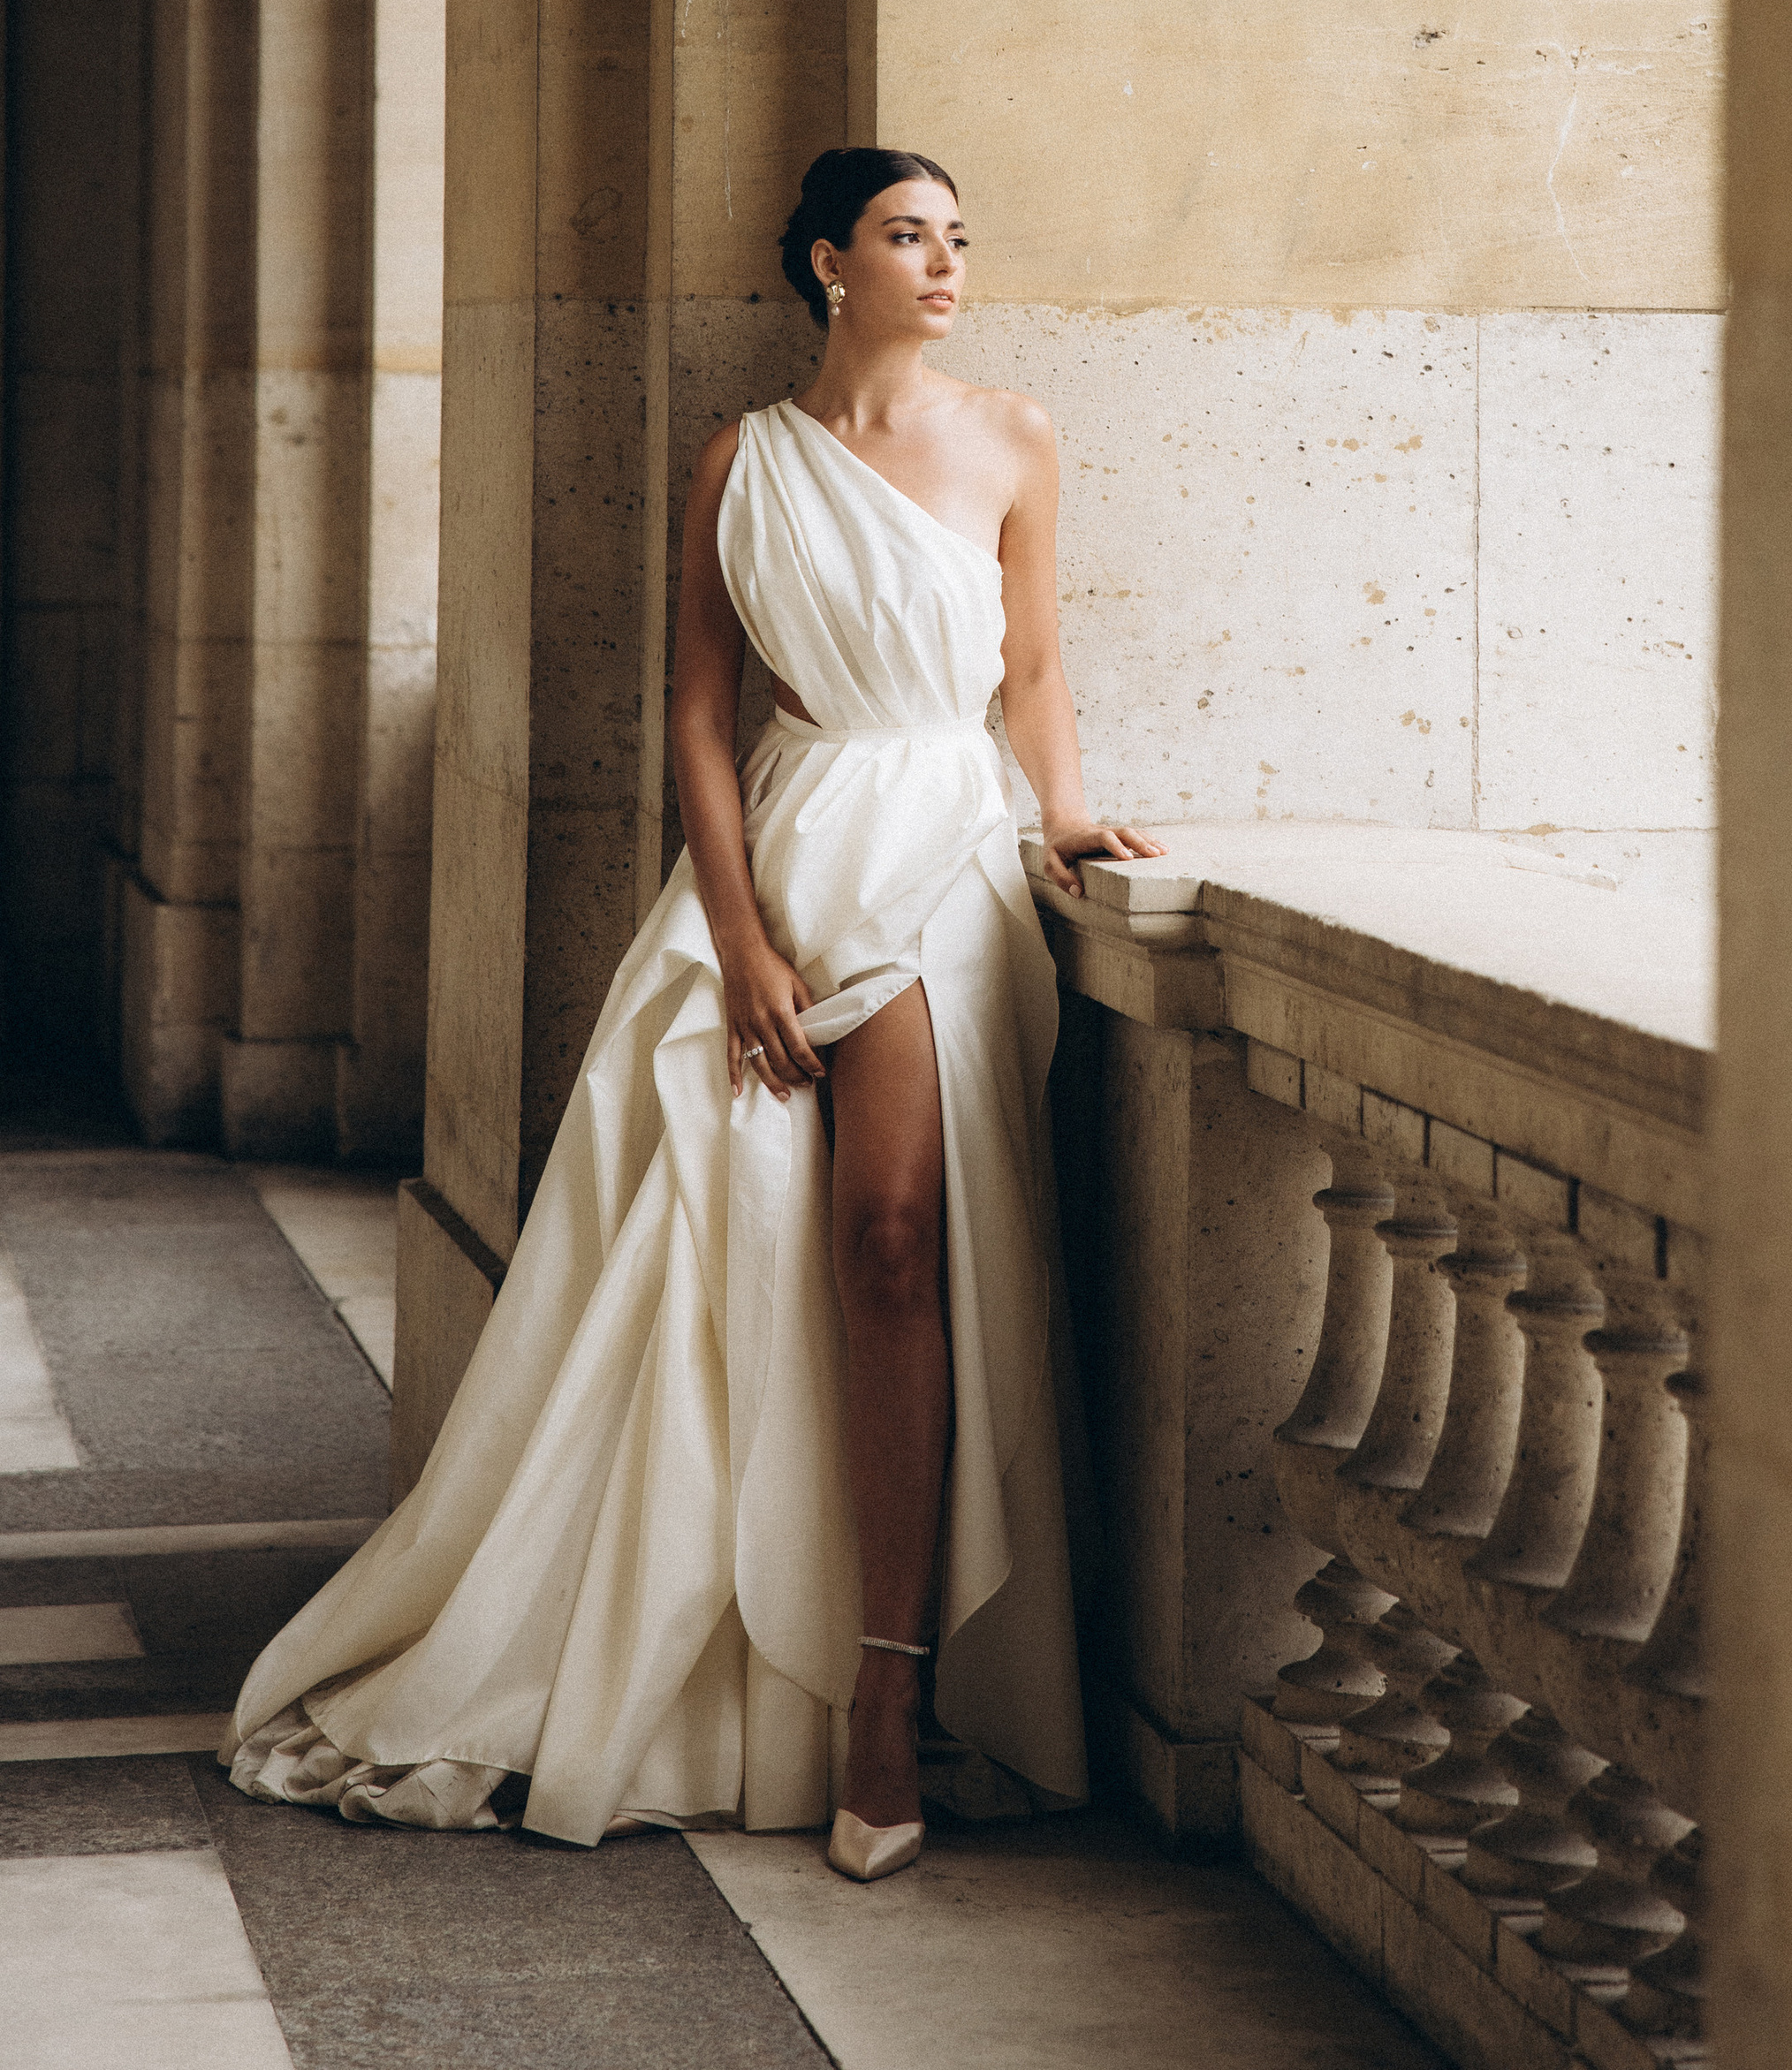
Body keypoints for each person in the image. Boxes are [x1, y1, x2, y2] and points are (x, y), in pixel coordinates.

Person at [226, 147, 1159, 1877]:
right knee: (725, 1245)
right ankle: (756, 1654)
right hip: (785, 855)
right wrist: (735, 939)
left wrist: (1064, 815)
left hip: (942, 851)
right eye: (905, 236)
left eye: (959, 236)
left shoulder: (1013, 436)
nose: (944, 262)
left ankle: (886, 1695)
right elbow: (696, 717)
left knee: (890, 1239)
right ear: (826, 263)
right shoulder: (746, 459)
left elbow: (1029, 671)